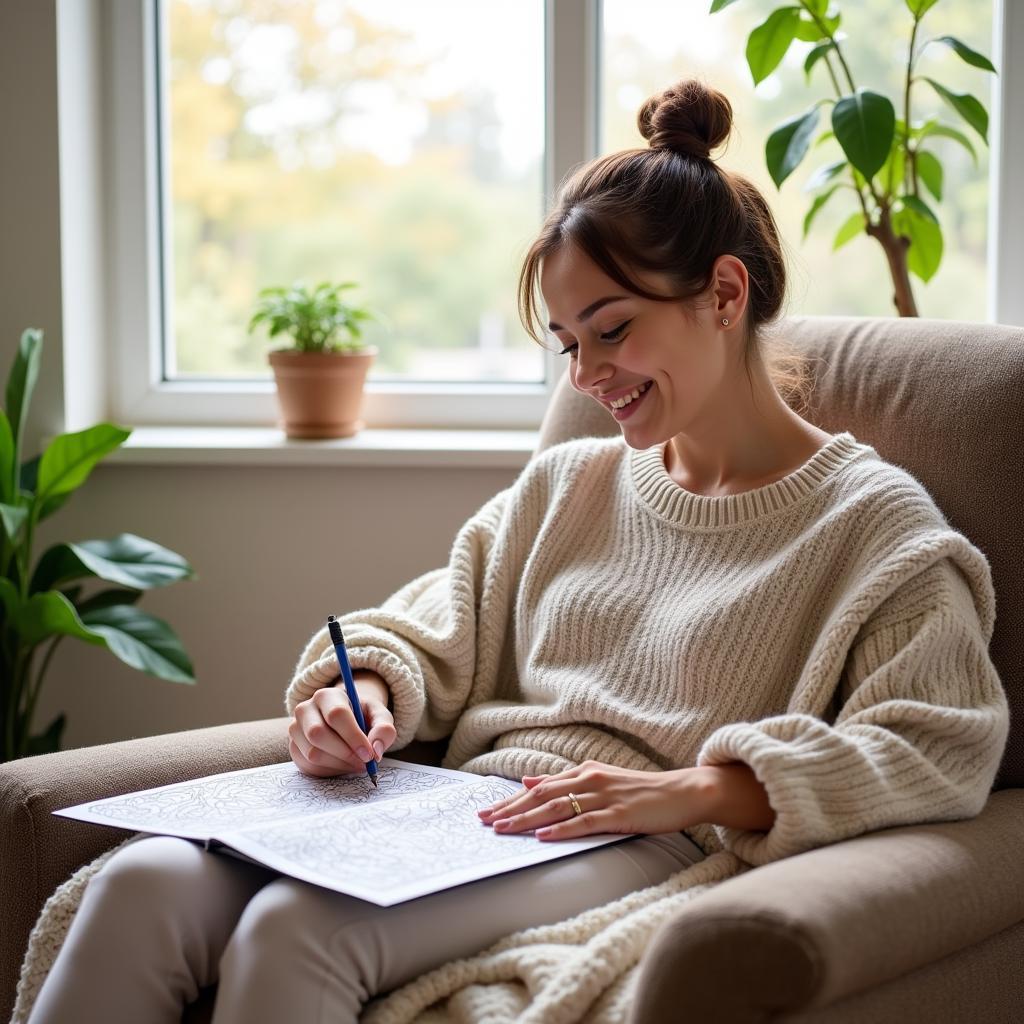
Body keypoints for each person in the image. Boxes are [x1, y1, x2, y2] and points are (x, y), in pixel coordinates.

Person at [25, 78, 1008, 1024]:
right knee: (142, 882)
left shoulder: (871, 527)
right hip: (457, 810)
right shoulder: (564, 487)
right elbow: (427, 626)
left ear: (722, 292)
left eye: (611, 329)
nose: (588, 374)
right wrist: (360, 694)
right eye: (567, 343)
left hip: (640, 837)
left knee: (297, 930)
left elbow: (936, 743)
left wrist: (704, 788)